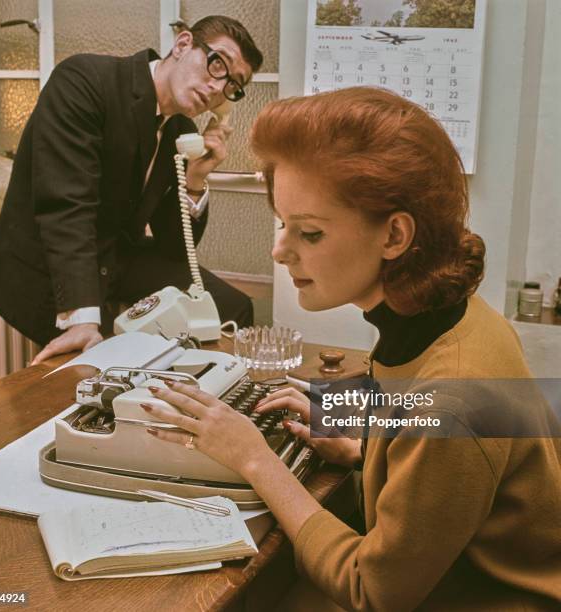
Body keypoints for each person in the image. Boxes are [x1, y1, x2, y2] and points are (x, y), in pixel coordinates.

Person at [140, 88, 561, 610]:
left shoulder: (455, 395)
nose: (280, 250)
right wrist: (358, 430)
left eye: (310, 233)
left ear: (395, 236)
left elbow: (372, 592)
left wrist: (254, 459)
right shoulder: (461, 318)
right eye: (282, 224)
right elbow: (426, 424)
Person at [0, 16, 263, 363]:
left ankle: (216, 399)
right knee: (80, 381)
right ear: (183, 44)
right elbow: (66, 207)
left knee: (232, 307)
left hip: (115, 255)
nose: (219, 88)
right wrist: (81, 318)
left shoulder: (180, 130)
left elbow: (175, 247)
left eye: (234, 84)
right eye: (218, 64)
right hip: (53, 264)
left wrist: (195, 180)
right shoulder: (84, 80)